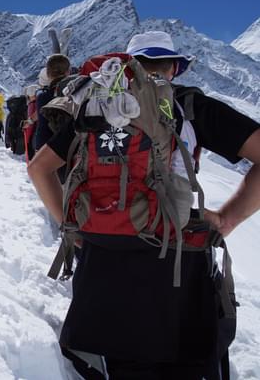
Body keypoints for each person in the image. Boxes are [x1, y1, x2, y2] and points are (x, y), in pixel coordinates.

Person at [28, 31, 260, 379]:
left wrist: (70, 226)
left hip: (102, 262)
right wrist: (226, 219)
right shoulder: (190, 106)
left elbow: (39, 168)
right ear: (173, 68)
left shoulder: (96, 106)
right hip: (177, 261)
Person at [34, 54, 71, 152]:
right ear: (68, 72)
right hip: (74, 147)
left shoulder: (43, 97)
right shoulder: (77, 92)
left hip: (49, 148)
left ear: (47, 74)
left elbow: (42, 128)